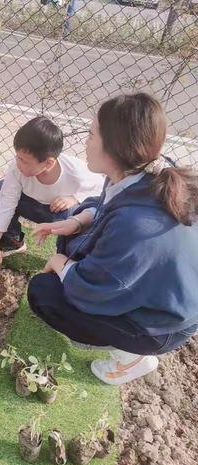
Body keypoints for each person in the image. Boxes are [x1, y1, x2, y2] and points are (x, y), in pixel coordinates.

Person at [28, 93, 198, 385]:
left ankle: (130, 356)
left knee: (44, 293)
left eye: (92, 133)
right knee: (69, 231)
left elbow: (94, 290)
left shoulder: (137, 226)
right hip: (162, 290)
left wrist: (59, 264)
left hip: (160, 323)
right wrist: (75, 221)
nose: (85, 140)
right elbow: (107, 206)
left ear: (115, 146)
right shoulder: (146, 169)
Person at [0, 116, 103, 266]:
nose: (18, 163)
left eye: (24, 160)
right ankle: (13, 241)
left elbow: (101, 188)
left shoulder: (76, 171)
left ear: (48, 163)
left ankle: (64, 258)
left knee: (75, 212)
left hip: (56, 214)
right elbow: (7, 202)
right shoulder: (16, 168)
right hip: (30, 205)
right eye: (17, 156)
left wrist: (75, 198)